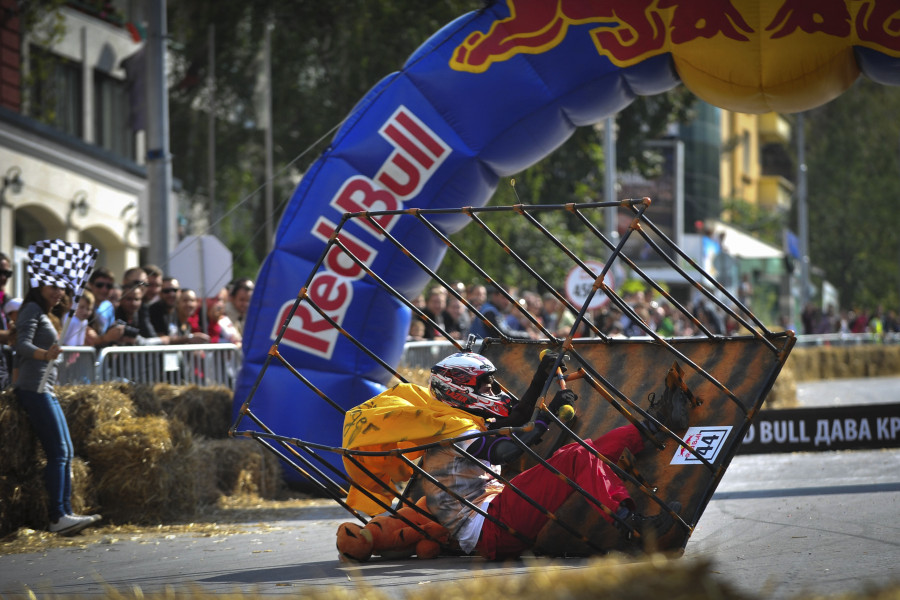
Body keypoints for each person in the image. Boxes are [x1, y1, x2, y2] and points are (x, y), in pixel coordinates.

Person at [343, 352, 686, 560]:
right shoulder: (451, 427)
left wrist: (543, 375)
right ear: (460, 390)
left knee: (589, 451)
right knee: (576, 456)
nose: (494, 392)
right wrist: (548, 417)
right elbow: (506, 447)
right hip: (491, 529)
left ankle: (654, 427)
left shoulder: (454, 417)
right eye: (486, 386)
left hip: (498, 513)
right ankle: (632, 525)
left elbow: (516, 418)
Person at [12, 279, 102, 536]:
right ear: (38, 286)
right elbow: (21, 345)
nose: (58, 292)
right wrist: (45, 354)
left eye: (62, 288)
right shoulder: (31, 309)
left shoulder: (46, 313)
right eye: (52, 286)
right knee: (58, 451)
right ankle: (58, 516)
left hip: (45, 389)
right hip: (35, 389)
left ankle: (64, 511)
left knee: (66, 450)